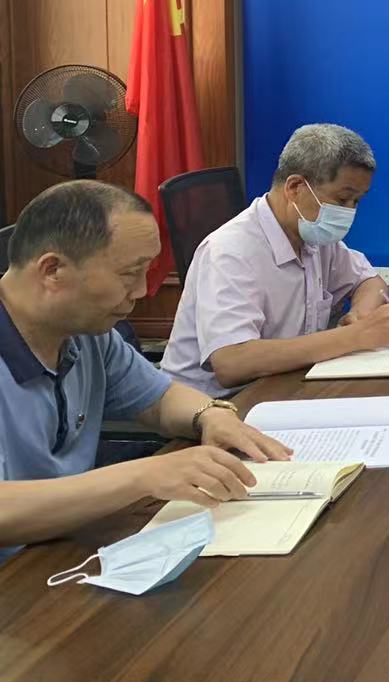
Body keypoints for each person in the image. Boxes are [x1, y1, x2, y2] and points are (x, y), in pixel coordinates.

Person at [0, 181, 290, 561]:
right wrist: (143, 476)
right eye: (129, 273)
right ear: (52, 270)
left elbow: (159, 398)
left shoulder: (87, 333)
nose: (140, 290)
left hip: (62, 548)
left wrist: (210, 415)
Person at [162, 124, 389, 396]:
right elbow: (232, 362)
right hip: (214, 406)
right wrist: (354, 336)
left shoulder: (311, 234)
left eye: (357, 201)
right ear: (295, 187)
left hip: (284, 384)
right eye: (342, 199)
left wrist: (360, 315)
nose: (350, 212)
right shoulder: (230, 251)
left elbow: (369, 280)